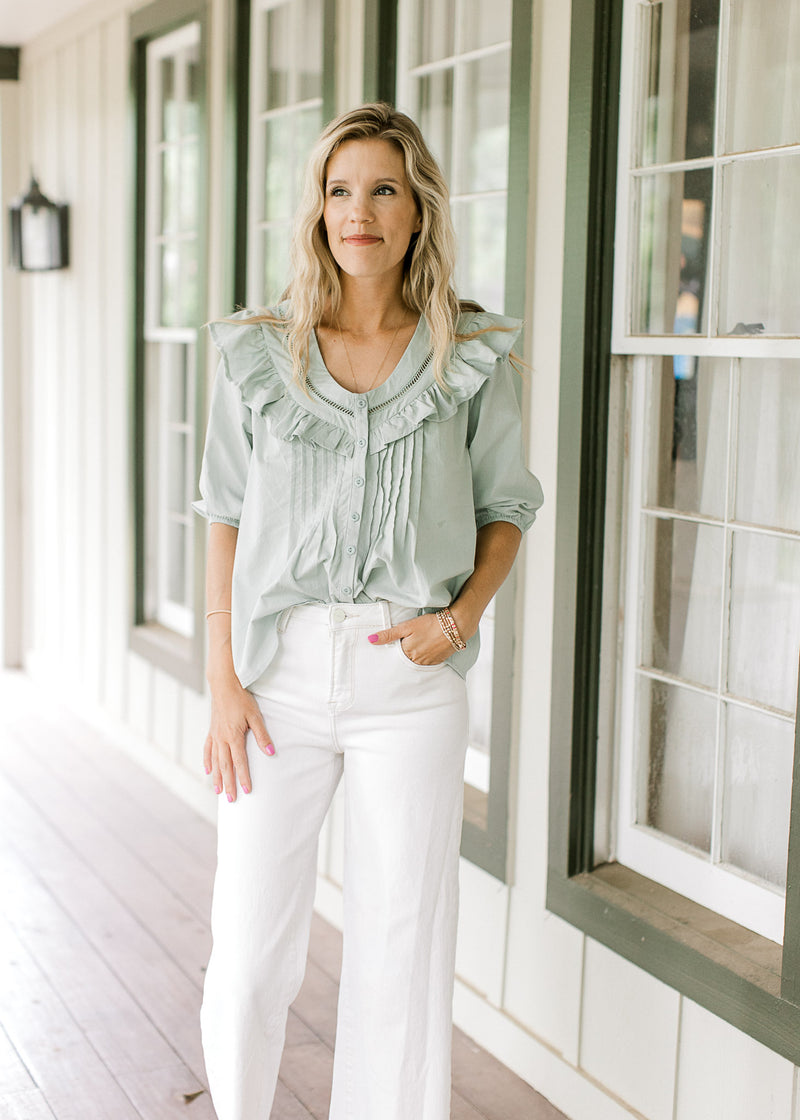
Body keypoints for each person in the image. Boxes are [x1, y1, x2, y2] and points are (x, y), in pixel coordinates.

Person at [193, 101, 543, 1120]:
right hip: (275, 682)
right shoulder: (259, 354)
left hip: (410, 675)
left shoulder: (466, 353)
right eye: (339, 189)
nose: (360, 210)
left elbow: (506, 509)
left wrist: (461, 616)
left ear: (416, 209)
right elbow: (219, 513)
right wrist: (221, 681)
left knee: (400, 953)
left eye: (382, 188)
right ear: (315, 211)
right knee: (249, 956)